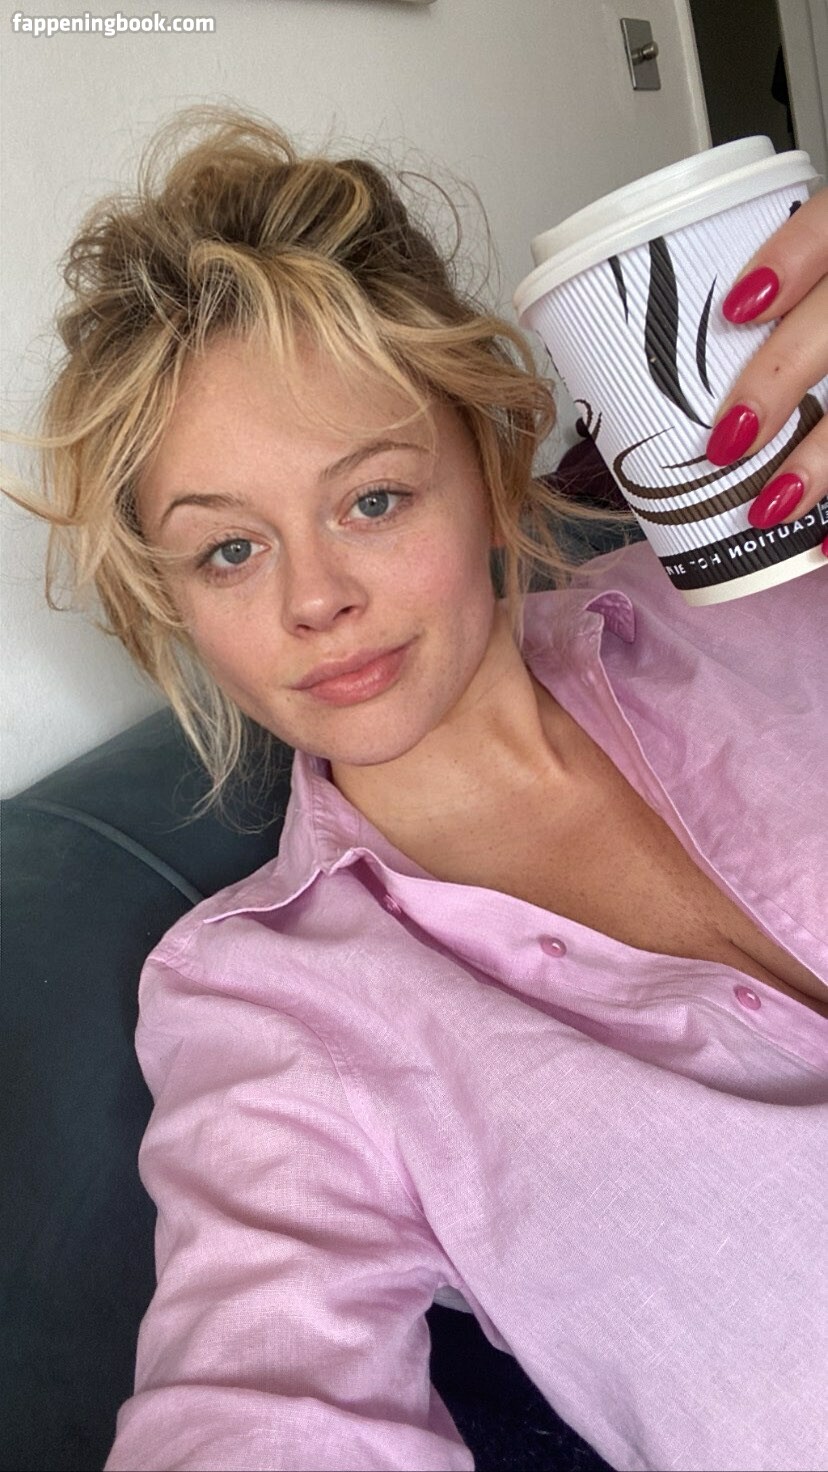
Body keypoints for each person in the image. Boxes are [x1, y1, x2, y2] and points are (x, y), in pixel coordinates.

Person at [7, 105, 828, 1472]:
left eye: (373, 499)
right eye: (229, 552)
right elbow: (256, 1398)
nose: (317, 598)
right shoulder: (266, 1010)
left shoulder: (760, 594)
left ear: (491, 466)